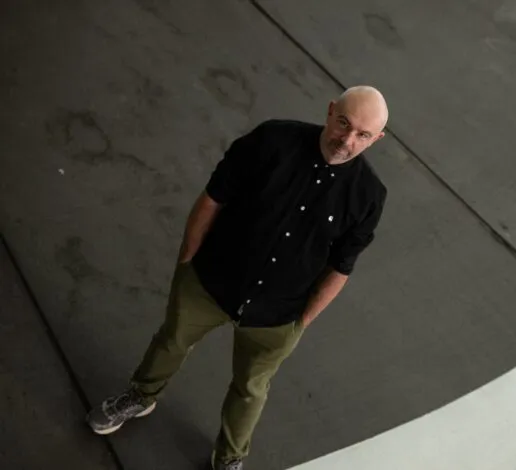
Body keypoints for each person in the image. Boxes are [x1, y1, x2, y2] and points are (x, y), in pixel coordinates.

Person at [87, 86, 389, 470]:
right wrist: (187, 263)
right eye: (343, 123)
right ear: (330, 111)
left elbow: (342, 266)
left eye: (362, 134)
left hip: (279, 314)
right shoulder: (271, 140)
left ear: (376, 140)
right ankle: (140, 396)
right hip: (211, 281)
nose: (347, 140)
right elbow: (215, 197)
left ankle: (229, 458)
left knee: (251, 389)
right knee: (170, 341)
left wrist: (301, 322)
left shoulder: (369, 195)